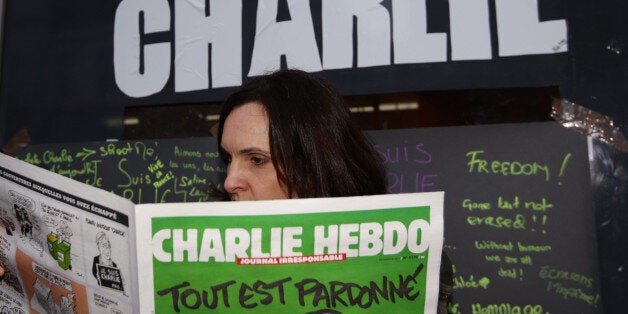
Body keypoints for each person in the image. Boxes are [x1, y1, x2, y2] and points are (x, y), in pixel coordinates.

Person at [217, 69, 453, 312]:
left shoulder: (403, 255)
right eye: (227, 159)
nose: (230, 181)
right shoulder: (207, 252)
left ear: (311, 165)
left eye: (256, 160)